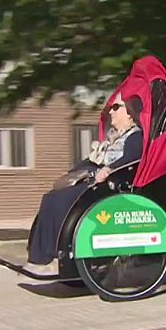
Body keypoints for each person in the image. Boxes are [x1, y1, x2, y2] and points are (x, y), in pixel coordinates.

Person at [23, 93, 144, 276]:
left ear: (129, 113)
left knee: (61, 202)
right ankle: (38, 258)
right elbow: (91, 160)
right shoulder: (112, 139)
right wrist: (72, 173)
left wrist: (109, 169)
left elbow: (131, 159)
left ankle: (56, 260)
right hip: (96, 182)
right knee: (50, 198)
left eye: (116, 107)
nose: (111, 111)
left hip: (112, 186)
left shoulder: (135, 137)